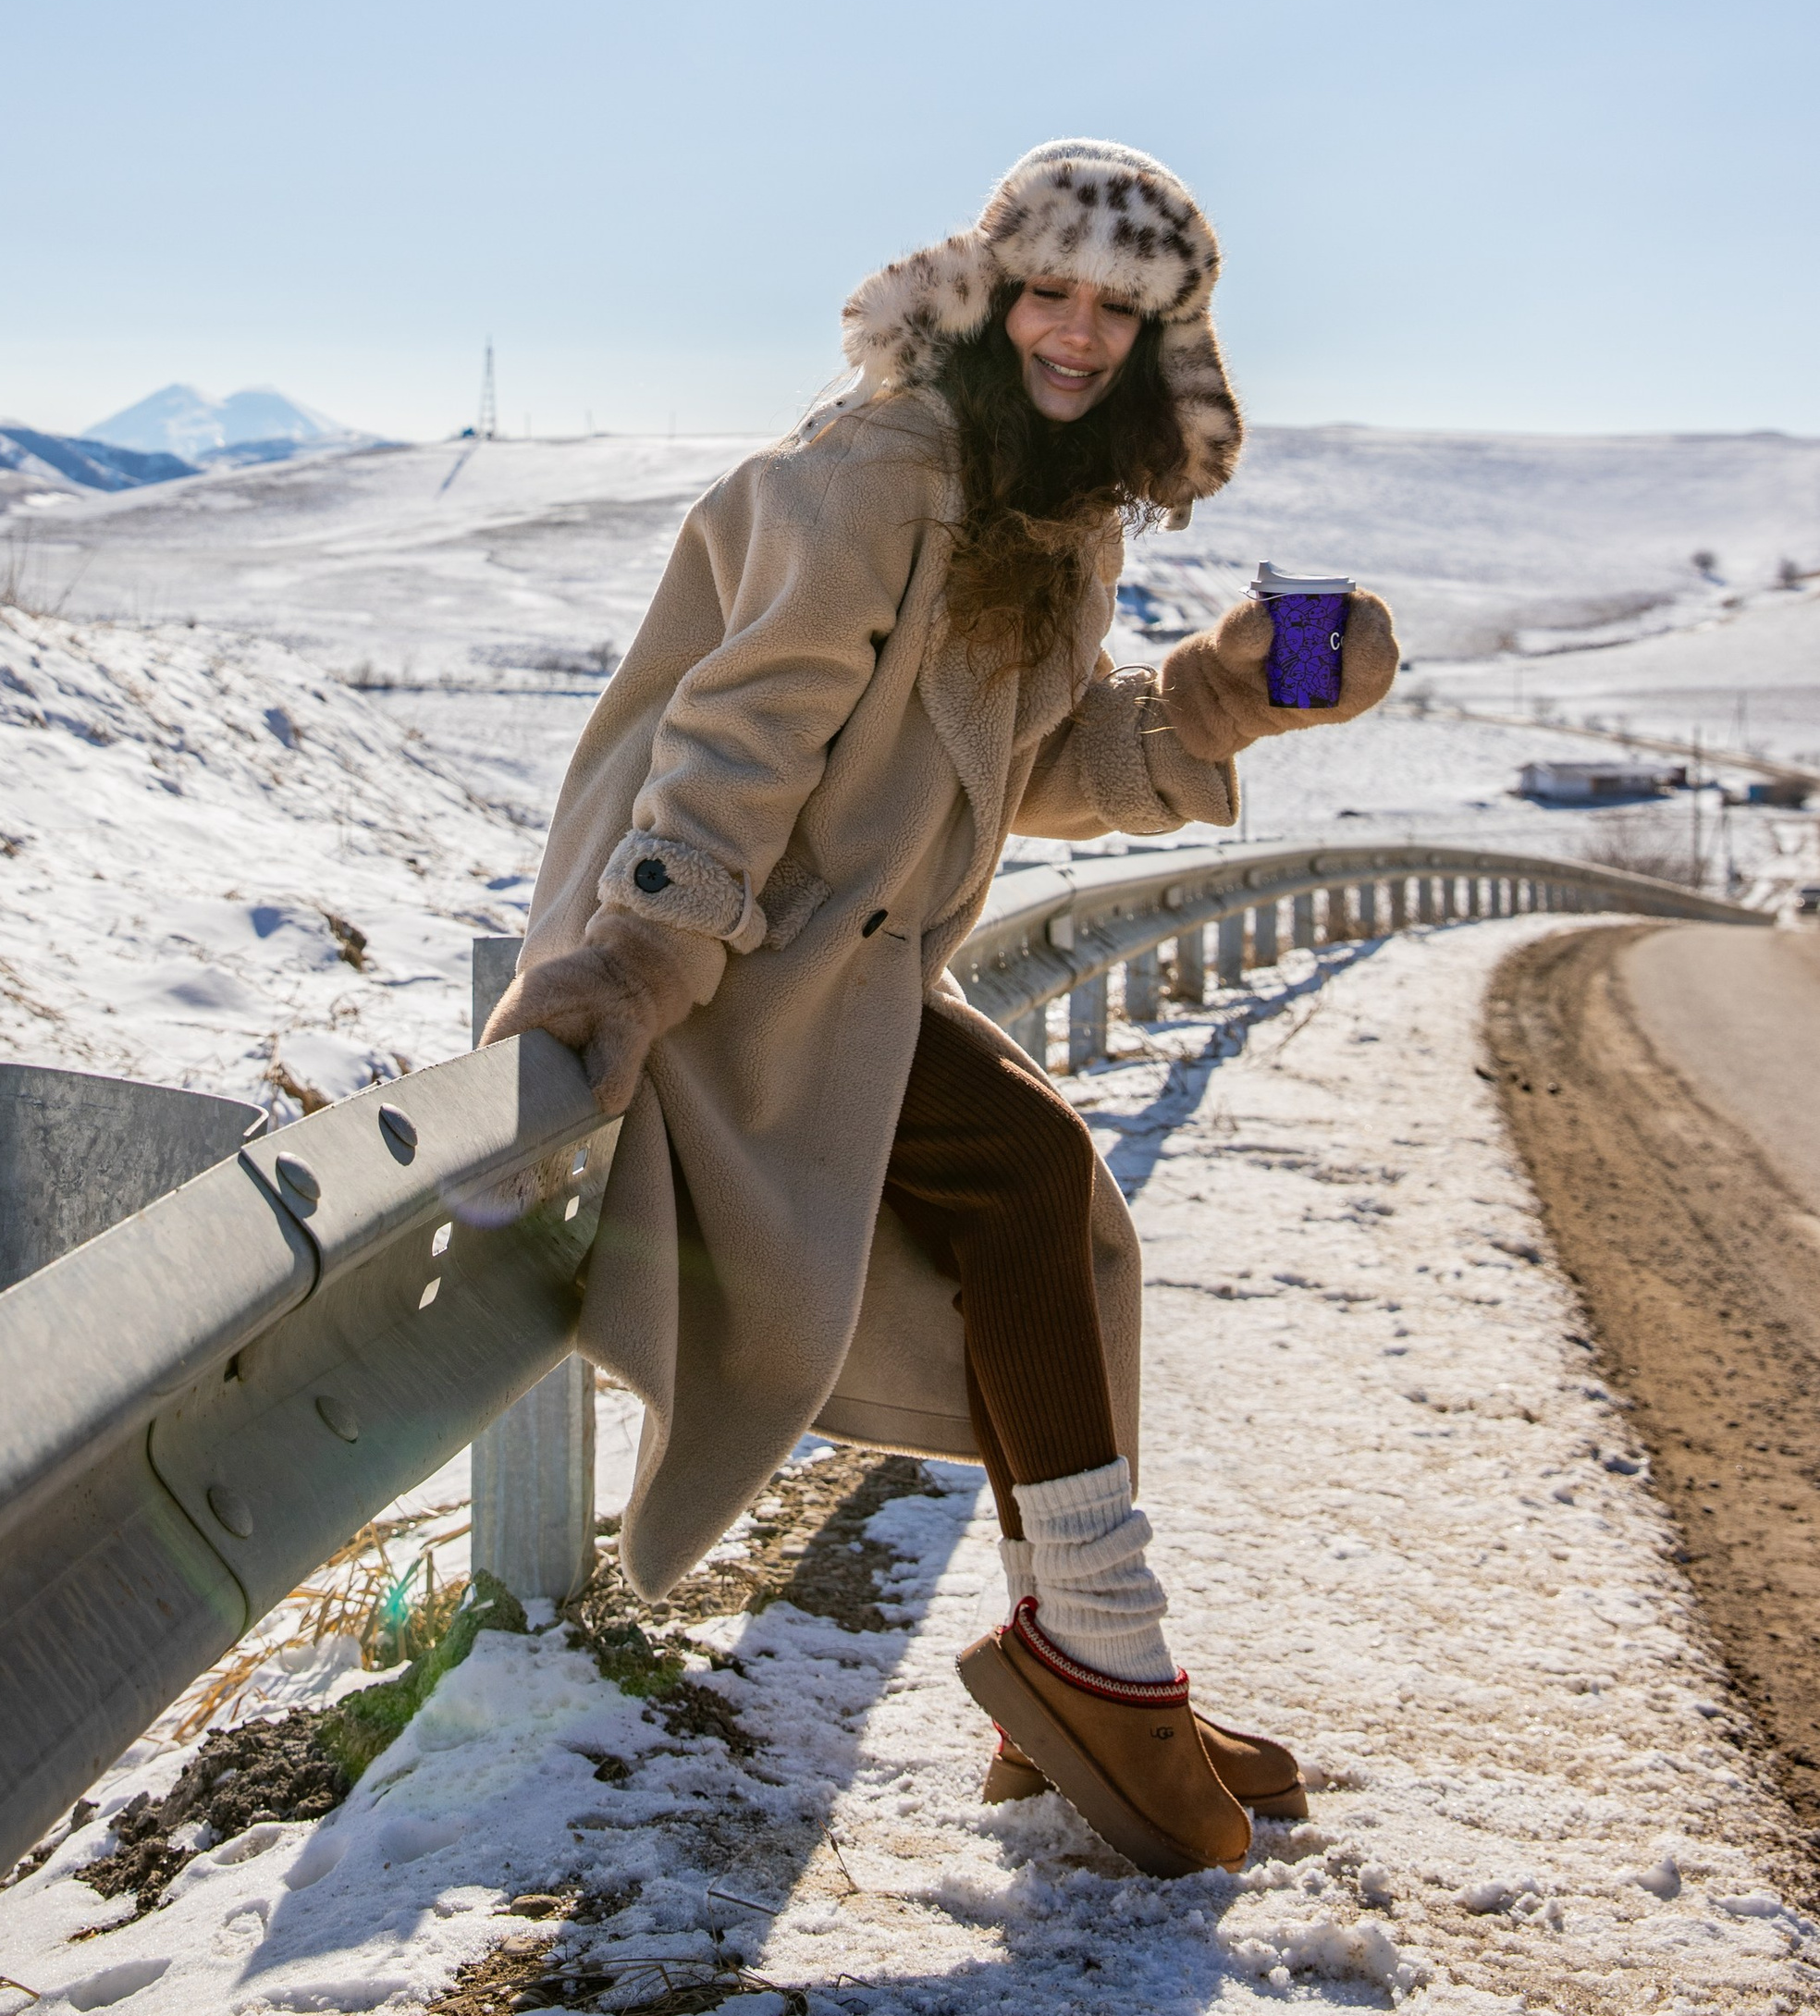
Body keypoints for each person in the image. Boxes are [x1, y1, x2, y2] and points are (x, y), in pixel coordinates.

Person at [481, 140, 1397, 1875]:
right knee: (1037, 1190)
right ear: (990, 291)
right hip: (733, 954)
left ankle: (1088, 1662)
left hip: (846, 956)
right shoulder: (884, 467)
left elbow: (1024, 757)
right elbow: (740, 736)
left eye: (1117, 312)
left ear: (1163, 340)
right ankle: (1094, 1665)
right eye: (1048, 291)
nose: (1074, 334)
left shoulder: (1048, 506)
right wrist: (644, 959)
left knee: (1049, 1216)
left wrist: (1221, 696)